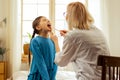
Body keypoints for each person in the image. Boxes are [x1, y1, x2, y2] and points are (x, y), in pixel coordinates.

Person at [52, 1, 110, 80]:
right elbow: (84, 39)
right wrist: (71, 34)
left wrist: (55, 41)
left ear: (70, 17)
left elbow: (61, 62)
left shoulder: (73, 36)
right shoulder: (98, 31)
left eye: (66, 13)